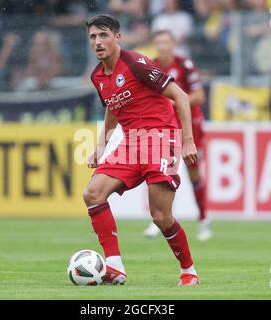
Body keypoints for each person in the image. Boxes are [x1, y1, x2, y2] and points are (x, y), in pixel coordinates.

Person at [84, 14, 199, 286]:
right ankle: (114, 266)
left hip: (162, 138)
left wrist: (187, 141)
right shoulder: (97, 76)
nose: (98, 42)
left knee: (161, 216)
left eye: (103, 35)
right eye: (92, 37)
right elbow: (113, 105)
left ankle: (189, 270)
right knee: (93, 193)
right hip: (130, 142)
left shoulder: (136, 64)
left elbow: (181, 96)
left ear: (117, 38)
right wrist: (101, 146)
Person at [143, 30, 212, 241]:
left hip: (191, 125)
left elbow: (200, 96)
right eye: (159, 42)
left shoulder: (185, 65)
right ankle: (160, 219)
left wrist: (176, 102)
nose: (163, 46)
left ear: (173, 44)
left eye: (166, 42)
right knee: (162, 172)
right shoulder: (150, 67)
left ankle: (203, 219)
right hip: (165, 126)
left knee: (193, 173)